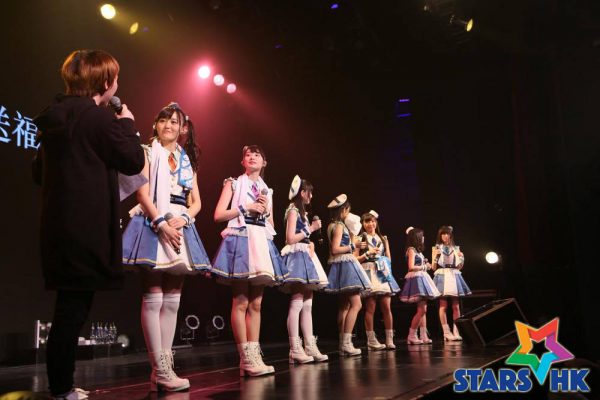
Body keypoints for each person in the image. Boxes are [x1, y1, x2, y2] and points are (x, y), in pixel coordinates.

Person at [32, 49, 145, 399]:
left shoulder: (54, 118)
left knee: (69, 308)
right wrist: (127, 125)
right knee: (72, 311)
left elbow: (38, 173)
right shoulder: (98, 119)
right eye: (116, 78)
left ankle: (62, 385)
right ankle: (61, 389)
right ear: (105, 81)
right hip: (86, 228)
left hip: (58, 226)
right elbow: (133, 159)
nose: (117, 84)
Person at [122, 102, 211, 391]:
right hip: (154, 219)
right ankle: (159, 368)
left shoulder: (187, 161)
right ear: (155, 125)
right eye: (163, 120)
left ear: (183, 128)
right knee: (154, 294)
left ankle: (165, 366)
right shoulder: (148, 152)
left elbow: (197, 202)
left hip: (179, 223)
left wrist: (184, 219)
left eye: (174, 121)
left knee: (173, 297)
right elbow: (142, 193)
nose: (168, 125)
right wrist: (161, 223)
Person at [212, 145, 286, 376]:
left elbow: (272, 225)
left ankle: (254, 355)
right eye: (248, 154)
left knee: (256, 304)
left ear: (264, 163)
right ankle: (244, 357)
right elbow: (218, 215)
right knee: (241, 301)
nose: (252, 157)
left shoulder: (267, 190)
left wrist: (264, 211)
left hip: (260, 241)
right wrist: (246, 207)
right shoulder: (233, 183)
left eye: (257, 154)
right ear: (242, 162)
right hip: (241, 239)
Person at [280, 175, 329, 364]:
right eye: (309, 192)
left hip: (306, 254)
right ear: (302, 192)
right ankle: (294, 348)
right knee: (297, 302)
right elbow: (290, 238)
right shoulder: (293, 210)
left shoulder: (302, 212)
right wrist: (311, 229)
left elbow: (302, 236)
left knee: (308, 304)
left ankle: (309, 345)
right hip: (296, 256)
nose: (311, 196)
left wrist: (310, 242)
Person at [325, 194, 371, 356]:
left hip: (340, 265)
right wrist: (353, 245)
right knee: (356, 304)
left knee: (344, 306)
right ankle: (346, 343)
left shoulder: (332, 225)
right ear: (343, 210)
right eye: (348, 210)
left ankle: (342, 343)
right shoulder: (339, 226)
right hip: (345, 265)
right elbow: (335, 249)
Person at [356, 211, 400, 350]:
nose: (370, 224)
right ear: (363, 224)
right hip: (368, 270)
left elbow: (389, 257)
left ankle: (389, 339)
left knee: (386, 307)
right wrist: (367, 254)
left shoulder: (383, 238)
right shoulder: (360, 238)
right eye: (367, 221)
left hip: (382, 271)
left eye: (373, 221)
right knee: (370, 307)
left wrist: (384, 262)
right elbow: (355, 258)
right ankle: (371, 340)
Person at [400, 227, 440, 344]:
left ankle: (423, 335)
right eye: (421, 236)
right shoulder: (411, 250)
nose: (423, 238)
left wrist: (428, 264)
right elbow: (411, 267)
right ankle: (412, 335)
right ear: (416, 237)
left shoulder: (418, 251)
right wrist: (424, 267)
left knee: (423, 309)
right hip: (416, 279)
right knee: (422, 310)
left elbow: (426, 266)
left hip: (422, 278)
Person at [432, 225, 471, 341]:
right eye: (443, 234)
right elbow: (433, 267)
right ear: (440, 236)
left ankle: (456, 331)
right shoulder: (436, 247)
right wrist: (435, 257)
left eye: (447, 234)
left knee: (456, 306)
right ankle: (446, 332)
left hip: (454, 274)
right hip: (442, 274)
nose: (445, 236)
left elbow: (459, 267)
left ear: (450, 235)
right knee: (443, 305)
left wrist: (462, 258)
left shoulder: (456, 248)